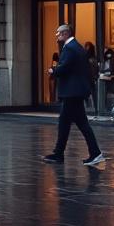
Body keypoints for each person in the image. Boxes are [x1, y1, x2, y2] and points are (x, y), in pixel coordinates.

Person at [42, 24, 105, 166]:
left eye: (58, 33)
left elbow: (64, 67)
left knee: (76, 123)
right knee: (69, 123)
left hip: (72, 92)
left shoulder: (70, 48)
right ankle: (60, 153)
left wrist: (53, 70)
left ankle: (93, 153)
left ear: (65, 34)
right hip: (75, 92)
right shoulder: (76, 46)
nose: (56, 36)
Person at [98, 48, 114, 122]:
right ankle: (108, 107)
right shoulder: (106, 60)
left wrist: (103, 72)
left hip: (110, 79)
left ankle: (111, 108)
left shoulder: (112, 61)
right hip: (107, 79)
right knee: (107, 93)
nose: (106, 54)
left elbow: (112, 70)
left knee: (113, 93)